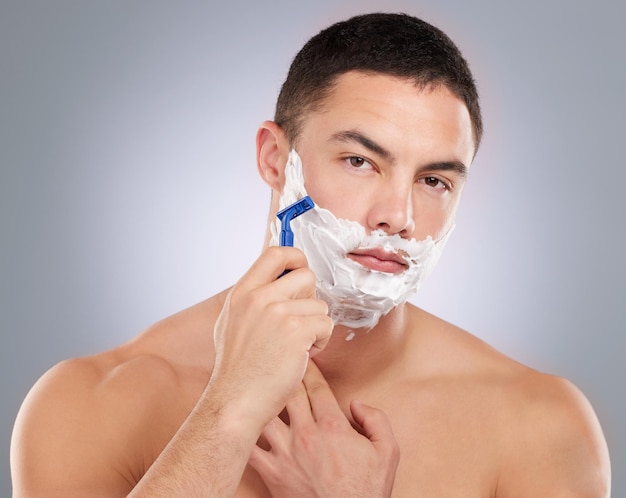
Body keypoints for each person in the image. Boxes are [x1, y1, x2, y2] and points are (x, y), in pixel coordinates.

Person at [10, 12, 610, 497]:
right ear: (275, 158)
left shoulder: (540, 426)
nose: (398, 216)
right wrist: (227, 412)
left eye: (434, 180)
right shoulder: (88, 406)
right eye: (359, 161)